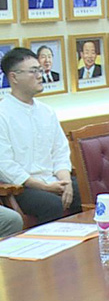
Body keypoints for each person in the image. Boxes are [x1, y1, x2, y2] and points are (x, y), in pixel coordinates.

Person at [0, 47, 82, 223]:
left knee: (85, 190)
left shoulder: (47, 111)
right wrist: (43, 186)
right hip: (24, 186)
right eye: (33, 71)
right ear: (14, 77)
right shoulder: (3, 113)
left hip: (55, 179)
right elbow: (5, 165)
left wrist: (66, 181)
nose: (40, 76)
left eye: (40, 70)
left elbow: (60, 151)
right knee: (51, 204)